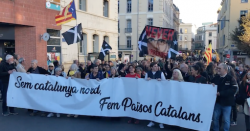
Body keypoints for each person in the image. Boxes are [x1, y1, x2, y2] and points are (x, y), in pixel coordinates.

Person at [211, 63, 238, 131]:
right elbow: (211, 86)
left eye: (220, 68)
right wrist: (211, 85)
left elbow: (233, 89)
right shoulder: (215, 78)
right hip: (218, 102)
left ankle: (226, 130)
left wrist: (221, 93)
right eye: (217, 68)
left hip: (227, 103)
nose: (218, 70)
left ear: (225, 70)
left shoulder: (230, 78)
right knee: (215, 118)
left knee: (226, 119)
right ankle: (215, 129)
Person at [145, 62, 165, 129]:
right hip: (151, 93)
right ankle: (152, 121)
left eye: (157, 66)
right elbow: (144, 82)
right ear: (151, 67)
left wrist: (161, 80)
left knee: (159, 106)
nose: (156, 67)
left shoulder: (160, 73)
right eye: (155, 66)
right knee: (152, 106)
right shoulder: (148, 73)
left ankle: (160, 122)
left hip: (159, 92)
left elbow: (164, 82)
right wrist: (147, 80)